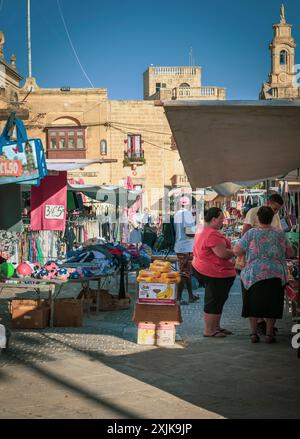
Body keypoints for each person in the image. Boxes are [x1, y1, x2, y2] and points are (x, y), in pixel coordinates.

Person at [233, 206, 293, 344]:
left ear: (258, 218)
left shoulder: (251, 233)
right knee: (272, 304)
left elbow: (237, 250)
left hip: (253, 274)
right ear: (272, 218)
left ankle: (253, 333)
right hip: (276, 273)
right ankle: (269, 334)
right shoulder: (279, 233)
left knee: (253, 304)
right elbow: (289, 253)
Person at [242, 193, 284, 335]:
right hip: (271, 268)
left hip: (256, 268)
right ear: (268, 202)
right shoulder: (253, 212)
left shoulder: (273, 220)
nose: (276, 212)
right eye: (275, 208)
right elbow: (287, 247)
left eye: (277, 210)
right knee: (268, 299)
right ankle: (266, 329)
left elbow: (239, 247)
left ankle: (256, 331)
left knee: (258, 299)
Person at [192, 207, 236, 337]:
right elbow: (222, 254)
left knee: (217, 300)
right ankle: (209, 330)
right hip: (214, 272)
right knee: (214, 300)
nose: (223, 221)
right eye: (221, 219)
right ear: (213, 219)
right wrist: (234, 251)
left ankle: (215, 326)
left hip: (206, 268)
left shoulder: (202, 230)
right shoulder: (212, 234)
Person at [174, 196, 199, 305]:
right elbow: (189, 231)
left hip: (180, 245)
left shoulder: (177, 214)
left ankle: (190, 296)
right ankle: (178, 298)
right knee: (184, 272)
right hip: (186, 246)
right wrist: (198, 230)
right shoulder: (187, 214)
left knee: (187, 272)